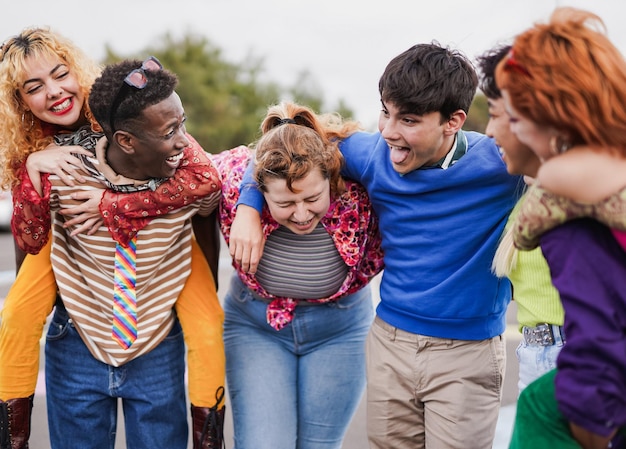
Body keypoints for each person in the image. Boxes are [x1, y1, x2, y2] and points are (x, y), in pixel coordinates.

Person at [233, 43, 521, 448]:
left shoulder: (500, 163)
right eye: (385, 112)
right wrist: (249, 203)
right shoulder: (373, 153)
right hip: (390, 343)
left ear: (453, 121)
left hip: (468, 352)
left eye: (408, 120)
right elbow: (281, 145)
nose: (388, 130)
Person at [0, 30, 224, 449]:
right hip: (71, 258)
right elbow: (30, 238)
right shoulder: (32, 147)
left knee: (207, 321)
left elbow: (203, 176)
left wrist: (113, 204)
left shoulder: (124, 107)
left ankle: (210, 436)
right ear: (19, 102)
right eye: (34, 88)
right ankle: (12, 434)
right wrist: (31, 168)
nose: (53, 92)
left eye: (60, 74)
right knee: (16, 317)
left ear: (77, 71)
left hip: (157, 250)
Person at [210, 101, 383, 449]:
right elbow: (179, 166)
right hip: (256, 327)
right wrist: (247, 204)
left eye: (313, 198)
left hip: (340, 330)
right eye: (286, 204)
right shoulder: (233, 185)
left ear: (330, 179)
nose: (302, 214)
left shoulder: (356, 186)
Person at [496, 7, 626, 448]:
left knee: (538, 402)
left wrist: (591, 429)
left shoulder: (568, 208)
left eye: (514, 118)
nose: (504, 132)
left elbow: (598, 342)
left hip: (597, 402)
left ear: (551, 117)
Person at [476, 44, 565, 393]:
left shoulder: (585, 198)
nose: (488, 131)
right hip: (536, 353)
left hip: (570, 358)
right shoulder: (528, 193)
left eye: (497, 115)